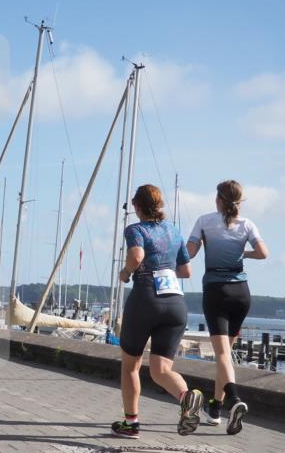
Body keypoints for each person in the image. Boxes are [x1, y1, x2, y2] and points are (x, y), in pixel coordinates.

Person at [112, 184, 203, 439]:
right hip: (175, 304)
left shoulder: (136, 229)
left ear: (138, 207)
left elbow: (137, 255)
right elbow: (186, 271)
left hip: (145, 299)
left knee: (131, 366)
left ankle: (131, 423)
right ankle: (186, 397)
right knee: (161, 370)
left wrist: (126, 272)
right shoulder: (174, 231)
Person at [186, 179, 268, 435]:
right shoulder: (247, 225)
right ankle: (216, 408)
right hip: (241, 294)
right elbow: (264, 253)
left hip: (216, 292)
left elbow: (189, 253)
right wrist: (243, 254)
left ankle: (234, 399)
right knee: (225, 358)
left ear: (218, 200)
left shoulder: (204, 221)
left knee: (222, 355)